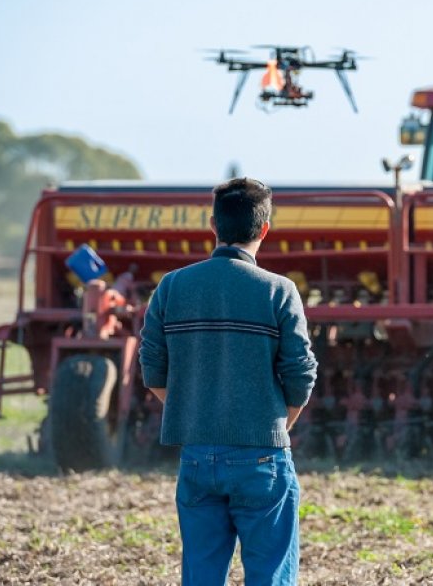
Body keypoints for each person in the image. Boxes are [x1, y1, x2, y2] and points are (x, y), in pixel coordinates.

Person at [139, 177, 317, 585]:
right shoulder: (279, 290)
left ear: (213, 226)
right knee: (270, 576)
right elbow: (301, 374)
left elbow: (152, 366)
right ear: (265, 230)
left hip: (197, 456)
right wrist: (277, 424)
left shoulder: (173, 286)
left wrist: (197, 413)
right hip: (262, 457)